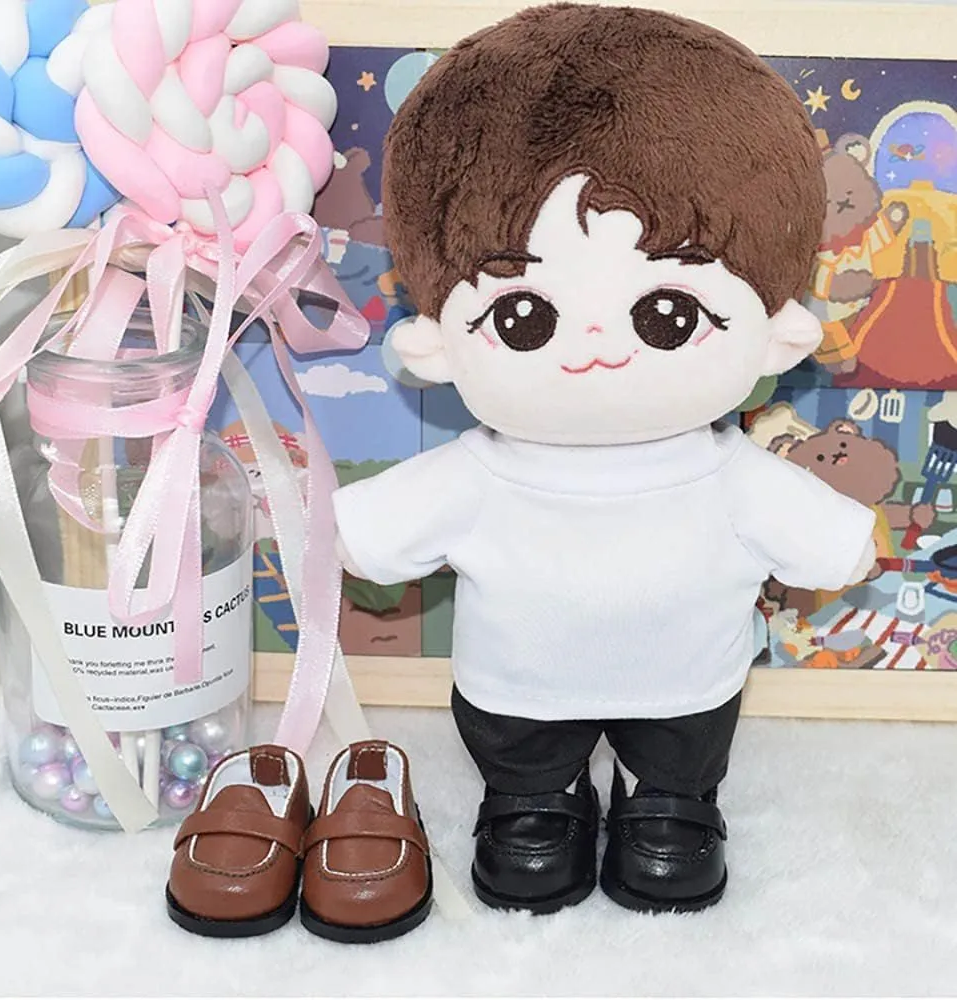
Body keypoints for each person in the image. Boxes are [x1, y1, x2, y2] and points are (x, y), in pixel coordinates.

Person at [332, 3, 877, 915]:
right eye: (523, 317)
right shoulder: (479, 472)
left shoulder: (730, 474)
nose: (598, 351)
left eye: (668, 315)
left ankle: (668, 797)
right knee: (518, 744)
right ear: (438, 343)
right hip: (517, 689)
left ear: (774, 333)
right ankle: (534, 798)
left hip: (686, 686)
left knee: (683, 742)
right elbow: (370, 539)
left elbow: (831, 544)